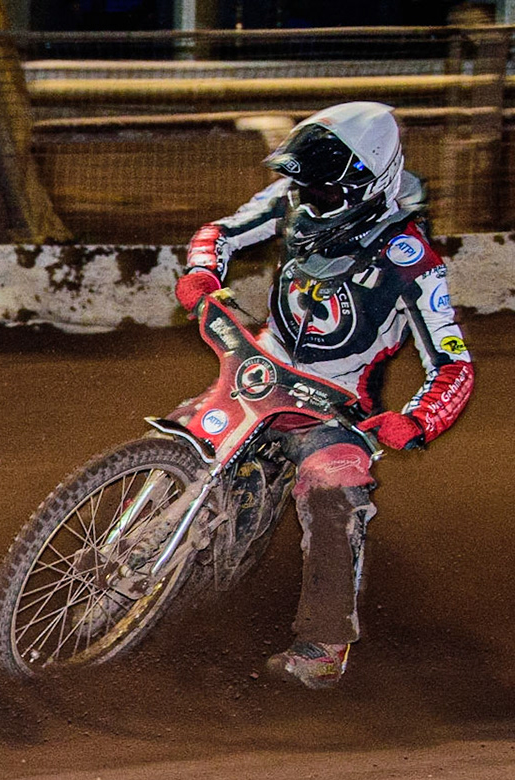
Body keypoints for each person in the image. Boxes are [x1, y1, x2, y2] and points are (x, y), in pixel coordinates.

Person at [173, 101, 472, 689]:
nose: (309, 198)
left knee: (336, 489)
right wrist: (204, 271)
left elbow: (453, 363)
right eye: (303, 183)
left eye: (323, 189)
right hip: (261, 363)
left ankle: (323, 645)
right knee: (193, 432)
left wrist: (415, 421)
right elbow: (219, 233)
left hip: (336, 399)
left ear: (364, 184)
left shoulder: (408, 257)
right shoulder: (291, 202)